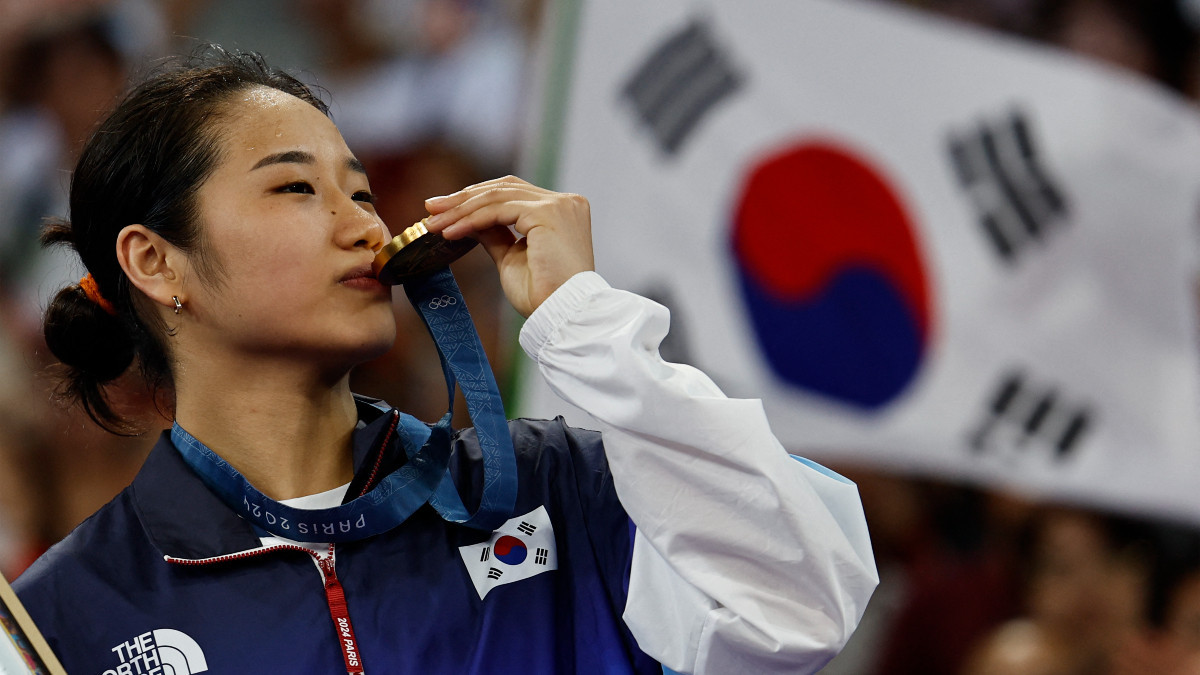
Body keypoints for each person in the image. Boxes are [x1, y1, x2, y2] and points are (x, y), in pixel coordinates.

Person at [12, 47, 877, 674]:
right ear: (155, 261)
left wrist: (589, 324)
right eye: (295, 187)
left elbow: (804, 606)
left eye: (359, 190)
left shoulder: (567, 488)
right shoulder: (59, 622)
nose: (364, 224)